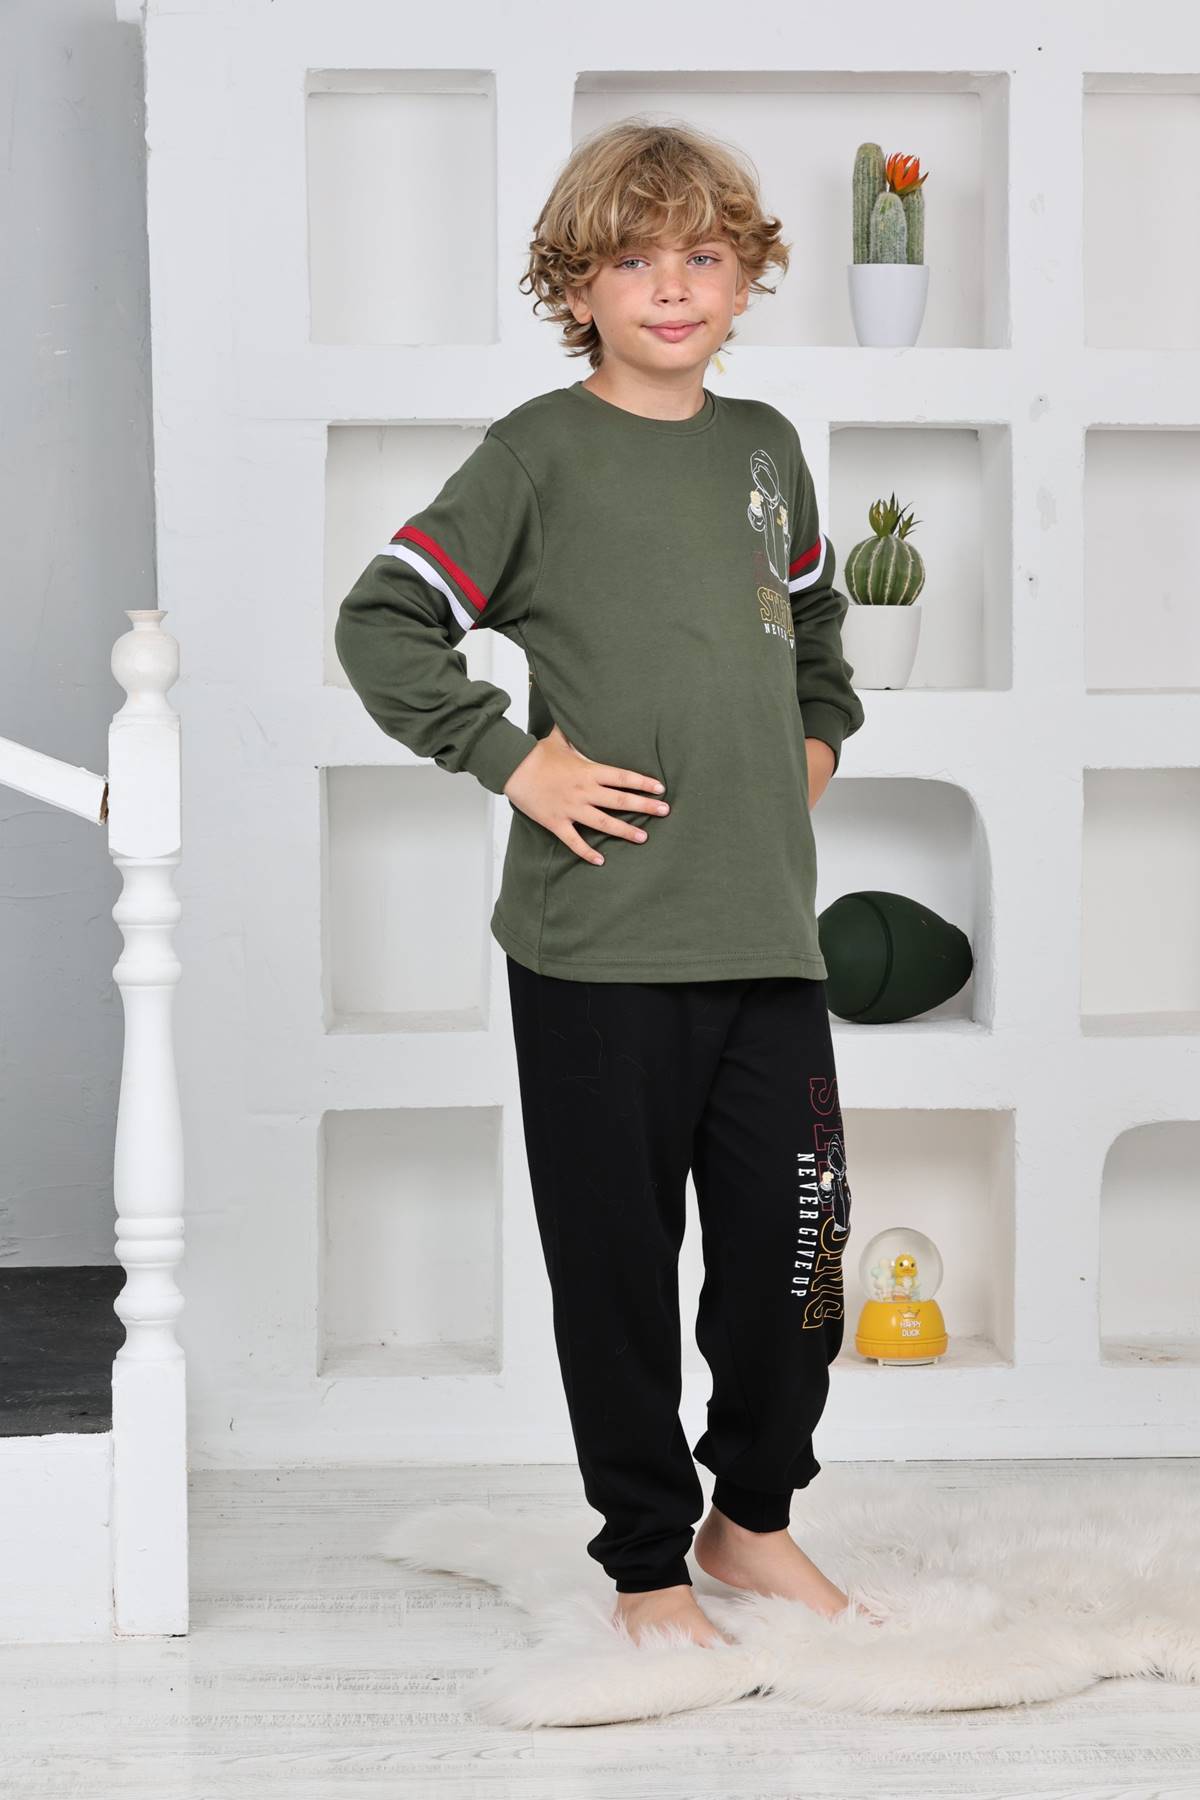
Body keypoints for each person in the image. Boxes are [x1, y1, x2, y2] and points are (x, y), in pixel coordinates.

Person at [335, 118, 867, 1650]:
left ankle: (750, 1522)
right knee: (619, 1274)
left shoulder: (766, 448)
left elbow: (815, 631)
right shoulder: (536, 456)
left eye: (703, 255)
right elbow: (384, 620)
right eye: (634, 260)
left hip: (765, 935)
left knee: (799, 1255)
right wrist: (513, 760)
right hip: (597, 950)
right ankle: (646, 1570)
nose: (673, 287)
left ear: (745, 275)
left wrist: (815, 738)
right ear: (579, 288)